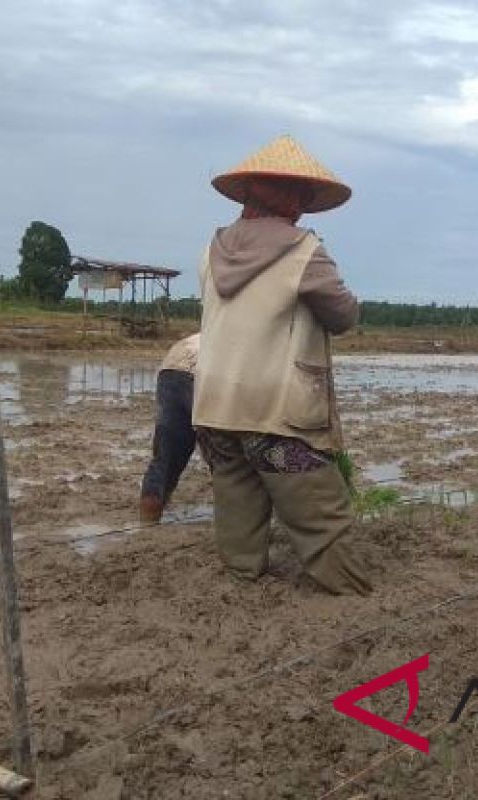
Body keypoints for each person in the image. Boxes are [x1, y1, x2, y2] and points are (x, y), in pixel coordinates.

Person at [192, 135, 370, 595]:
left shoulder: (211, 252)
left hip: (213, 408)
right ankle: (349, 596)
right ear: (290, 197)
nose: (304, 205)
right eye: (301, 195)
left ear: (249, 192)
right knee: (323, 521)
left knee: (237, 506)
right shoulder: (304, 251)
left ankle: (242, 582)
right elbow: (343, 315)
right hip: (275, 414)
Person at [140, 333, 200, 523]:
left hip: (172, 363)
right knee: (228, 457)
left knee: (166, 454)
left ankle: (148, 520)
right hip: (203, 368)